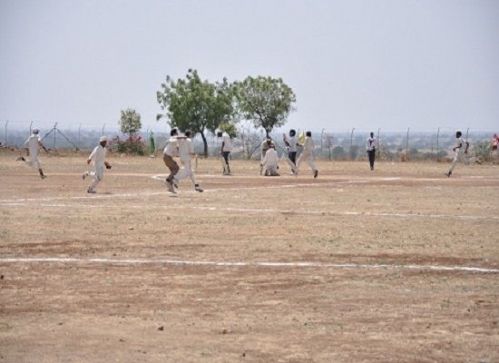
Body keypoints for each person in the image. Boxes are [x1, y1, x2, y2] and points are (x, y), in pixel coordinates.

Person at [162, 128, 180, 193]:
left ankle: (171, 187)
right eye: (177, 132)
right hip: (167, 157)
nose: (178, 133)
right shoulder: (174, 138)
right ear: (174, 133)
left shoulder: (175, 142)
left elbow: (177, 153)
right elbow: (175, 138)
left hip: (167, 157)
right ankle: (168, 180)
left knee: (174, 171)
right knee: (176, 168)